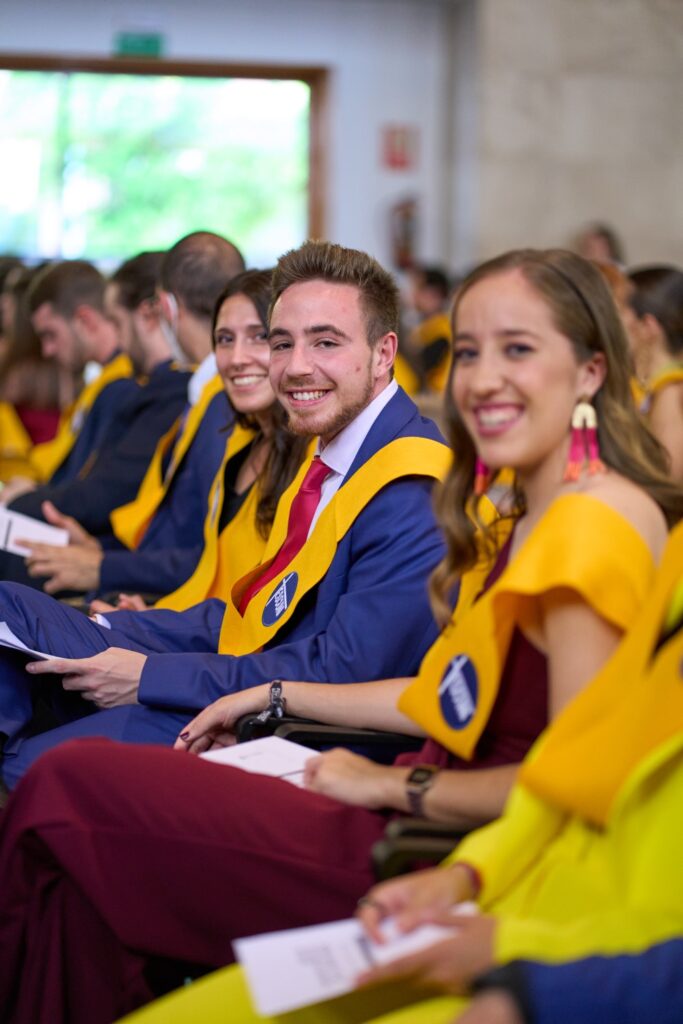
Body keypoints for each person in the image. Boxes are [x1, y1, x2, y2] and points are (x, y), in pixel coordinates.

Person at [0, 248, 678, 1024]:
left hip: (431, 835)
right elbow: (442, 691)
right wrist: (269, 692)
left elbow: (566, 788)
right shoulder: (522, 506)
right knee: (74, 844)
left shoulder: (582, 519)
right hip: (390, 780)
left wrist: (391, 786)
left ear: (590, 371)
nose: (483, 378)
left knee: (63, 783)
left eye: (517, 350)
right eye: (467, 352)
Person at [122, 511, 683, 1024]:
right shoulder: (659, 555)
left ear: (588, 392)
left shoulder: (597, 529)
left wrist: (513, 950)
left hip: (573, 959)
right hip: (488, 882)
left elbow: (556, 772)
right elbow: (559, 769)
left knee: (85, 788)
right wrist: (467, 876)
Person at [0, 239, 448, 790]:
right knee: (14, 612)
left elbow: (337, 674)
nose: (296, 367)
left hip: (291, 735)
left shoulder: (409, 485)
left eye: (326, 342)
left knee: (36, 766)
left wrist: (151, 674)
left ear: (384, 353)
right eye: (282, 343)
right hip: (235, 673)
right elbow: (256, 617)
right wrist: (114, 629)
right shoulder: (333, 457)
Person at [0, 258, 138, 505]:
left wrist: (32, 498)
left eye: (50, 334)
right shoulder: (104, 383)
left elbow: (95, 493)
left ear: (84, 320)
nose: (47, 350)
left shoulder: (122, 386)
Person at [627, 265, 683, 482]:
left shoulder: (669, 389)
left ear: (647, 327)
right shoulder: (651, 386)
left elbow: (667, 479)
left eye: (620, 312)